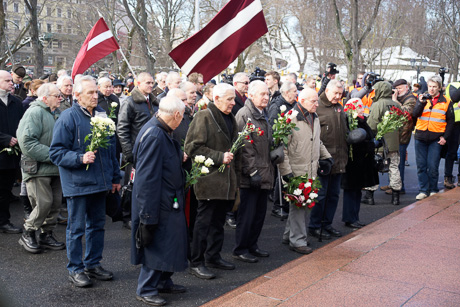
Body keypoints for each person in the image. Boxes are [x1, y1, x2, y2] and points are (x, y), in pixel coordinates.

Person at [49, 76, 122, 287]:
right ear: (77, 96)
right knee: (76, 228)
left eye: (96, 92)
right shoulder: (67, 118)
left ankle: (93, 264)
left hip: (100, 183)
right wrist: (80, 158)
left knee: (97, 226)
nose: (95, 95)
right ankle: (75, 268)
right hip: (78, 184)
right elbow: (56, 153)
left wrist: (115, 177)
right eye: (90, 93)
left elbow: (110, 151)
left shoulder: (101, 115)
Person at [131, 96, 187, 306]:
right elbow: (146, 179)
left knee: (169, 242)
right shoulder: (155, 134)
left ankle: (163, 280)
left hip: (166, 198)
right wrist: (147, 216)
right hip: (157, 202)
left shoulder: (159, 129)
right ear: (177, 115)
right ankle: (146, 288)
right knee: (156, 243)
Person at [184, 83, 240, 279]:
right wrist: (219, 157)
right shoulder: (203, 116)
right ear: (216, 99)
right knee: (203, 223)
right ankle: (196, 261)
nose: (234, 102)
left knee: (218, 222)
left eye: (234, 98)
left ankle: (213, 256)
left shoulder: (230, 117)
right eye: (230, 99)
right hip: (208, 180)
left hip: (225, 181)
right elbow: (192, 147)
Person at [279, 88, 331, 254]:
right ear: (301, 100)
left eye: (317, 101)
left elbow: (317, 141)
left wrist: (327, 157)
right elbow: (283, 149)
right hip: (296, 171)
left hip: (310, 170)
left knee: (301, 206)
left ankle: (290, 236)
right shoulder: (290, 119)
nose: (317, 104)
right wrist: (286, 172)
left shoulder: (313, 117)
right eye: (313, 101)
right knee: (299, 207)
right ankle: (298, 241)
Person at [17, 83, 65, 254]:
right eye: (57, 96)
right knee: (43, 203)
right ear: (45, 98)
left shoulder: (57, 113)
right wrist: (55, 155)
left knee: (55, 204)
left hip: (55, 168)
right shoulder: (34, 112)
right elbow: (27, 143)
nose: (61, 98)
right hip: (37, 168)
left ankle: (46, 234)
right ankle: (28, 232)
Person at [233, 80, 274, 263]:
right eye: (262, 94)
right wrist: (251, 172)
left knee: (259, 215)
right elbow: (245, 147)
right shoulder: (245, 114)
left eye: (267, 94)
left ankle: (252, 245)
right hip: (251, 176)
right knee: (247, 215)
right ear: (251, 95)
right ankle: (241, 248)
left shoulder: (263, 114)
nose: (266, 98)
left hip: (265, 172)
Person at [118, 72, 157, 229]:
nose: (150, 85)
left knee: (145, 185)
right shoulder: (130, 102)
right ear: (137, 83)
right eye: (147, 82)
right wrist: (128, 153)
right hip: (135, 151)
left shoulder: (154, 102)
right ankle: (127, 215)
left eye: (152, 83)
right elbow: (122, 128)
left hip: (150, 150)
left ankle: (142, 213)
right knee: (130, 185)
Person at [308, 80, 347, 240]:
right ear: (327, 91)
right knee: (320, 195)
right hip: (323, 160)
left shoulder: (339, 107)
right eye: (335, 93)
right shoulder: (318, 107)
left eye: (340, 94)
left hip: (339, 159)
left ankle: (327, 224)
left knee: (333, 195)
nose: (338, 96)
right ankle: (315, 225)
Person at [413, 75, 454, 200]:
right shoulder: (421, 98)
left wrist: (445, 137)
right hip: (420, 136)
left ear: (439, 88)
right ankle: (423, 190)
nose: (431, 89)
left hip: (436, 138)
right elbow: (414, 114)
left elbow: (451, 121)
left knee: (433, 166)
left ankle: (433, 189)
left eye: (434, 87)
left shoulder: (446, 101)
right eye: (430, 86)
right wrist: (420, 103)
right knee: (421, 166)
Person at [341, 98, 378, 228]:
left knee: (356, 191)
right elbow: (355, 142)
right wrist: (370, 145)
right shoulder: (352, 121)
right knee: (351, 191)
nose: (363, 108)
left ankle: (354, 217)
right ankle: (350, 218)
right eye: (360, 106)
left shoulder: (360, 120)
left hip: (360, 162)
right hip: (354, 163)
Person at [365, 81, 402, 205]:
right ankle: (395, 197)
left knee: (372, 167)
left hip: (379, 144)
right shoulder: (396, 105)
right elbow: (402, 124)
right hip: (393, 143)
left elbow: (371, 125)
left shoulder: (377, 105)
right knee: (394, 167)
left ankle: (369, 196)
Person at [267, 81, 298, 219]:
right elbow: (273, 126)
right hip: (281, 146)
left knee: (289, 176)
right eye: (294, 91)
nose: (297, 93)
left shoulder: (294, 104)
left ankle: (286, 203)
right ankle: (277, 206)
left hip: (292, 144)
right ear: (286, 93)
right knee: (281, 177)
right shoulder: (277, 106)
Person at [0, 70, 24, 234]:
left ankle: (3, 220)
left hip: (11, 155)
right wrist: (4, 139)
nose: (12, 83)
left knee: (5, 190)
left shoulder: (16, 102)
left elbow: (22, 126)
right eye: (8, 80)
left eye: (11, 80)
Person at [388, 79, 416, 195]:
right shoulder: (399, 97)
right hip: (396, 134)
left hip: (404, 134)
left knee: (400, 162)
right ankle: (393, 184)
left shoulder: (411, 99)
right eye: (396, 88)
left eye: (400, 88)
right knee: (393, 161)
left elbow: (406, 112)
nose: (398, 91)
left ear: (406, 87)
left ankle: (400, 187)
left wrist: (395, 101)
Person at [443, 82, 460, 188]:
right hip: (455, 123)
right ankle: (447, 177)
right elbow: (454, 97)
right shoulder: (454, 85)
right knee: (452, 151)